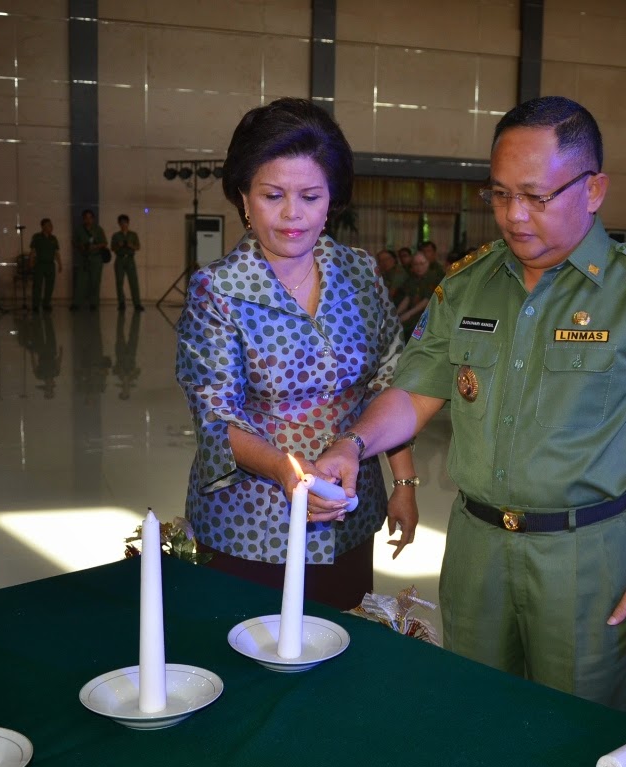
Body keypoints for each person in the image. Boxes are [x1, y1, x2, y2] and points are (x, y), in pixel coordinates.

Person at [316, 96, 626, 711]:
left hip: (590, 557)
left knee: (578, 728)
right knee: (475, 715)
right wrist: (353, 443)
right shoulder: (467, 285)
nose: (513, 215)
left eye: (535, 196)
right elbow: (416, 391)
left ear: (593, 190)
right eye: (500, 194)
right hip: (477, 548)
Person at [175, 97, 419, 611]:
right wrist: (288, 471)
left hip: (348, 510)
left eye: (310, 196)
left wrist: (404, 480)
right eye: (272, 195)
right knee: (249, 641)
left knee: (342, 638)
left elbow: (391, 379)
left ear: (331, 200)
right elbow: (216, 417)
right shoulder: (217, 290)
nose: (293, 214)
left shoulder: (359, 273)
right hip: (250, 523)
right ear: (244, 197)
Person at [396, 251, 439, 339]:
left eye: (422, 264)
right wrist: (396, 314)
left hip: (429, 315)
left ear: (428, 263)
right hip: (414, 314)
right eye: (416, 264)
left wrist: (408, 314)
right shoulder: (412, 278)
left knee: (413, 332)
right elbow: (407, 298)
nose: (419, 267)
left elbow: (426, 301)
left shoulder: (434, 277)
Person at [72, 209, 106, 310]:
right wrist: (80, 246)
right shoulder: (79, 230)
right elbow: (74, 242)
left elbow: (104, 243)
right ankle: (77, 303)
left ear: (93, 219)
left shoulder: (98, 229)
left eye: (90, 218)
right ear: (83, 219)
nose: (88, 220)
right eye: (86, 218)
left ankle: (93, 303)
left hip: (96, 258)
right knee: (80, 281)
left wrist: (95, 246)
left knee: (95, 281)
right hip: (84, 258)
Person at [110, 214, 144, 312]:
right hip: (120, 259)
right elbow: (112, 248)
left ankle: (137, 304)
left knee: (134, 282)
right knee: (119, 282)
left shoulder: (133, 235)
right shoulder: (116, 235)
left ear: (128, 223)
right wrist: (119, 245)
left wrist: (130, 245)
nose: (123, 225)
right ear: (119, 224)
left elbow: (138, 247)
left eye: (125, 223)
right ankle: (121, 303)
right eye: (121, 223)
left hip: (130, 259)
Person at [28, 218, 62, 312]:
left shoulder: (53, 238)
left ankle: (46, 304)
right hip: (40, 264)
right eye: (48, 225)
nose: (51, 227)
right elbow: (32, 251)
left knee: (50, 285)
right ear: (43, 227)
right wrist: (30, 262)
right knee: (37, 285)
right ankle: (35, 305)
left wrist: (60, 264)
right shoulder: (37, 237)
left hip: (50, 265)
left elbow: (56, 252)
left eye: (51, 225)